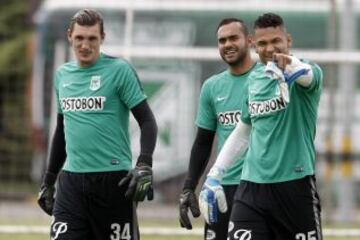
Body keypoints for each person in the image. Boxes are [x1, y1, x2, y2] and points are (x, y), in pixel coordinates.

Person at [199, 13, 323, 240]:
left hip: (294, 186)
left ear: (288, 41)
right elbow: (244, 130)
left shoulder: (305, 71)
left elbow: (309, 76)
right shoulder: (254, 81)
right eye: (263, 43)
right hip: (251, 189)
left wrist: (293, 67)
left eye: (276, 41)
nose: (270, 48)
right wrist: (215, 174)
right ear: (254, 45)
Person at [37, 9, 157, 240]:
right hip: (71, 182)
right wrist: (48, 181)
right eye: (79, 38)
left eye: (92, 38)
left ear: (102, 38)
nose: (85, 45)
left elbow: (148, 121)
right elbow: (62, 130)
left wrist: (144, 164)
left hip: (114, 181)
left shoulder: (120, 70)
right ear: (69, 36)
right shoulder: (62, 75)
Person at [178, 18, 259, 239]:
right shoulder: (212, 87)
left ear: (250, 41)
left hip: (259, 185)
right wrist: (189, 187)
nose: (227, 44)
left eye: (234, 38)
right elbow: (203, 142)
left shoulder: (266, 78)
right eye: (222, 40)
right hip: (221, 188)